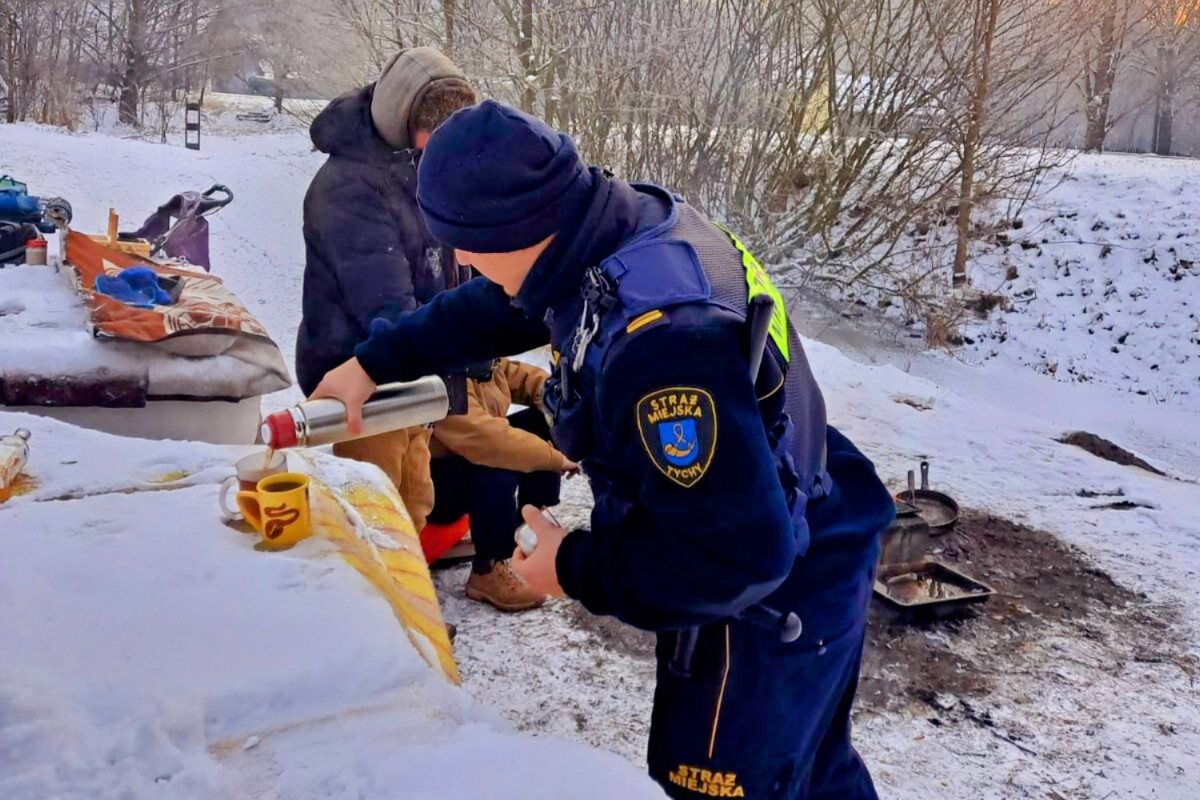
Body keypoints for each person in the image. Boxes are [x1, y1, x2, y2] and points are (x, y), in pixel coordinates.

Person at [311, 101, 896, 800]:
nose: (460, 259)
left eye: (464, 242)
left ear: (517, 227)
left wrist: (573, 566)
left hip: (772, 584)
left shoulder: (666, 347)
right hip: (805, 497)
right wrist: (374, 362)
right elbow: (497, 306)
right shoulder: (612, 229)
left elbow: (737, 557)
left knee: (720, 781)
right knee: (813, 770)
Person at [294, 47, 475, 533]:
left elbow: (455, 257)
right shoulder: (348, 189)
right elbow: (387, 307)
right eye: (434, 136)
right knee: (371, 515)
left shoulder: (421, 167)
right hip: (360, 376)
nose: (444, 150)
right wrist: (460, 341)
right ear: (402, 120)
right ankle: (368, 606)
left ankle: (405, 600)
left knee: (414, 500)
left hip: (411, 370)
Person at [425, 357, 578, 611]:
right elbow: (488, 441)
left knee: (544, 420)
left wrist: (557, 397)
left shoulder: (481, 362)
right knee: (498, 461)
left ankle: (529, 527)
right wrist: (556, 459)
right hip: (435, 491)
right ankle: (488, 567)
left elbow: (520, 376)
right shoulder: (442, 375)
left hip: (465, 465)